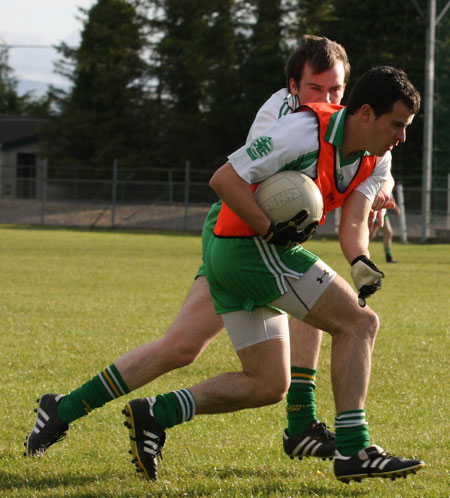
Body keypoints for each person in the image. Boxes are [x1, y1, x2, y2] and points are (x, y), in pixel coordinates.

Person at [24, 36, 355, 463]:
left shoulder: (342, 120)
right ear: (294, 86)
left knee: (190, 346)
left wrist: (377, 192)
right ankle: (299, 424)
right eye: (316, 89)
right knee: (190, 344)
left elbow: (360, 161)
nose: (326, 99)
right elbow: (252, 178)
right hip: (238, 234)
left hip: (269, 245)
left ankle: (300, 424)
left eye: (335, 90)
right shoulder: (279, 114)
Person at [121, 66, 425, 484]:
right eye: (398, 124)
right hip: (245, 246)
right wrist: (268, 226)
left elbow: (354, 222)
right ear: (367, 113)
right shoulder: (301, 130)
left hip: (256, 250)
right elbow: (224, 178)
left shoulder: (379, 158)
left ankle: (157, 412)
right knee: (359, 323)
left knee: (266, 384)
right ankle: (355, 450)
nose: (402, 136)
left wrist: (361, 262)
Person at [370, 194, 401, 263]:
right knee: (370, 235)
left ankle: (389, 257)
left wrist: (395, 207)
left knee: (388, 232)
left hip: (383, 211)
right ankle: (360, 254)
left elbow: (390, 196)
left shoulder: (388, 183)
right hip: (373, 209)